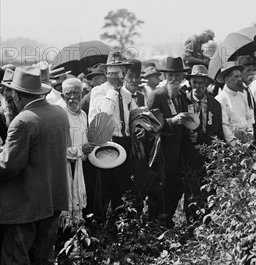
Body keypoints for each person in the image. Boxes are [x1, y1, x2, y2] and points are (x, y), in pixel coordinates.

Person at [0, 67, 70, 265]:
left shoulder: (23, 120)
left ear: (16, 94)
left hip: (25, 206)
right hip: (52, 200)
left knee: (15, 258)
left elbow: (9, 165)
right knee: (42, 258)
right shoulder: (59, 113)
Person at [88, 51, 138, 219]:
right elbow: (104, 116)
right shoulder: (98, 92)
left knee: (123, 191)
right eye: (115, 71)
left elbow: (132, 117)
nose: (120, 75)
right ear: (108, 72)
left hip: (125, 143)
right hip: (106, 143)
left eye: (122, 70)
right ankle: (99, 230)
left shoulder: (127, 94)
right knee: (104, 192)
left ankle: (120, 230)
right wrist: (113, 91)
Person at [147, 56, 192, 226]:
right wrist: (172, 121)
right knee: (159, 191)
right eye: (171, 76)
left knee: (175, 189)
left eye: (177, 76)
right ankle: (155, 225)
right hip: (161, 154)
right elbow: (151, 124)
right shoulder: (156, 96)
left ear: (182, 77)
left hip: (179, 154)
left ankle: (168, 221)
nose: (174, 79)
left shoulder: (182, 96)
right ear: (166, 77)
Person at [182, 65, 225, 223]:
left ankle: (208, 222)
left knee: (208, 187)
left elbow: (219, 130)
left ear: (206, 84)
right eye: (195, 82)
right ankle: (191, 223)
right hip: (189, 150)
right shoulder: (184, 100)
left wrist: (219, 151)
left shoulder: (214, 103)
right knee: (191, 187)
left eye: (201, 83)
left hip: (208, 149)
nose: (198, 86)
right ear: (190, 83)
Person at [61, 78, 96, 228]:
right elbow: (58, 149)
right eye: (68, 94)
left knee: (82, 209)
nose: (73, 97)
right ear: (63, 96)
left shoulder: (83, 115)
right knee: (65, 213)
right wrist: (80, 150)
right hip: (65, 170)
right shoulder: (60, 116)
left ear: (82, 94)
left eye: (76, 93)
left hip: (83, 167)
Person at [215, 61, 255, 145]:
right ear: (226, 79)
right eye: (236, 77)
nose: (240, 79)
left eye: (240, 76)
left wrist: (250, 137)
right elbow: (224, 125)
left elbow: (249, 118)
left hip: (247, 141)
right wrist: (235, 144)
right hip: (233, 144)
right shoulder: (220, 99)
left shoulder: (242, 96)